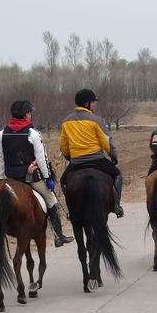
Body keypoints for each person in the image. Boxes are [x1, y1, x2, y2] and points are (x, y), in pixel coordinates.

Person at [0, 100, 74, 247]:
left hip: (10, 178)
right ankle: (58, 236)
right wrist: (47, 177)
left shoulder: (1, 134)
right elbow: (41, 159)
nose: (31, 115)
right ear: (26, 114)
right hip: (30, 178)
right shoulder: (33, 133)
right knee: (52, 201)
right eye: (30, 112)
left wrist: (0, 180)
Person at [60, 89, 124, 218]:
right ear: (87, 103)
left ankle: (70, 210)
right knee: (117, 175)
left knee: (63, 182)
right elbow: (106, 142)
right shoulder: (96, 120)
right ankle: (116, 204)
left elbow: (64, 146)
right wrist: (113, 156)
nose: (95, 105)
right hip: (97, 160)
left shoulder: (66, 121)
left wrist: (69, 157)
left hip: (76, 161)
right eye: (94, 102)